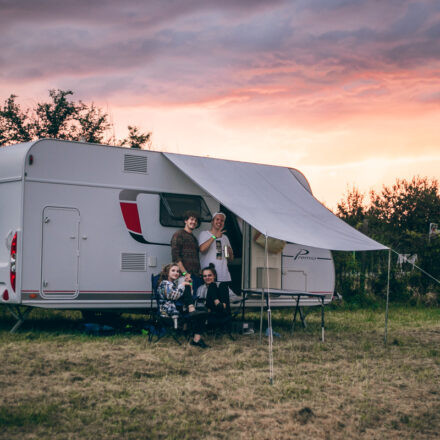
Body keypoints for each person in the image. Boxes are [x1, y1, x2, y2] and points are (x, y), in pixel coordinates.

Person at [157, 263, 209, 349]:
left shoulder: (174, 284)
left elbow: (188, 296)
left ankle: (196, 340)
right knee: (199, 314)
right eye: (173, 270)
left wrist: (190, 285)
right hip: (168, 312)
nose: (176, 273)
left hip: (178, 308)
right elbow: (172, 296)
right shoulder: (164, 283)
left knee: (202, 311)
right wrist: (183, 285)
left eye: (178, 271)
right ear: (167, 272)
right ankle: (191, 311)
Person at [198, 212, 234, 284]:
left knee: (223, 295)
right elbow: (202, 249)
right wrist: (214, 236)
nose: (219, 222)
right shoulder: (204, 234)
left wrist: (230, 252)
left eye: (222, 220)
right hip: (208, 277)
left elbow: (230, 259)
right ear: (212, 222)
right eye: (217, 219)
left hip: (223, 276)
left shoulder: (225, 238)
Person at [171, 211, 201, 290]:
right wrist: (185, 273)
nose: (194, 222)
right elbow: (175, 257)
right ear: (185, 221)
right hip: (184, 275)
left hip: (195, 275)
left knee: (195, 297)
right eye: (191, 219)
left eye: (196, 221)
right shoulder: (178, 234)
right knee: (187, 299)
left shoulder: (194, 238)